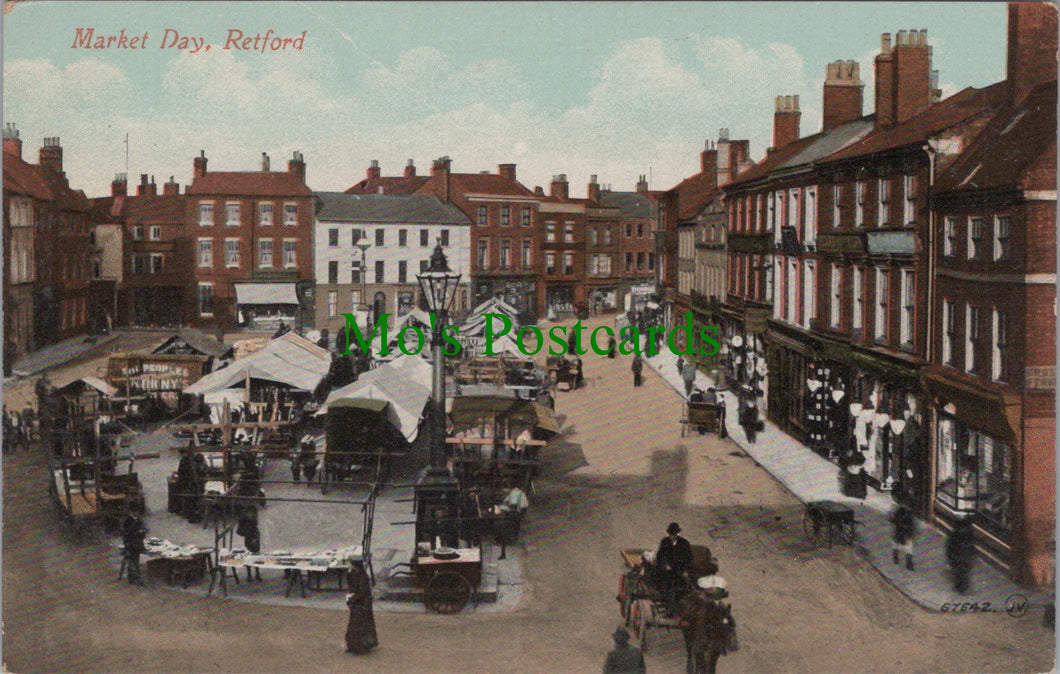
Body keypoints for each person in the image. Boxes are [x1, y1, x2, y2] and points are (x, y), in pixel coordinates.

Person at [655, 522, 693, 614]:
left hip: (680, 570)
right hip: (667, 571)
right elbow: (660, 556)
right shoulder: (665, 542)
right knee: (668, 586)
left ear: (677, 533)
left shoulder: (684, 543)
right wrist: (665, 565)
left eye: (675, 534)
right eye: (671, 534)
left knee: (685, 586)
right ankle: (670, 607)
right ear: (669, 534)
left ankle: (683, 606)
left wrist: (685, 570)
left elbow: (689, 558)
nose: (673, 536)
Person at [344, 561, 379, 654]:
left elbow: (361, 592)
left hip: (362, 604)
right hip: (358, 603)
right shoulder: (354, 574)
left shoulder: (362, 577)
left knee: (360, 626)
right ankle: (353, 646)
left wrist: (352, 599)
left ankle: (361, 646)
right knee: (355, 625)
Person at [497, 482, 529, 560]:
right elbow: (525, 505)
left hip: (515, 512)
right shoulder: (521, 493)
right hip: (518, 512)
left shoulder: (516, 493)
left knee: (514, 525)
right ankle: (513, 538)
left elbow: (507, 500)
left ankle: (512, 539)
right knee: (515, 525)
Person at [946, 516, 976, 593]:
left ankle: (960, 586)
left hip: (959, 556)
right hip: (964, 556)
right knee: (963, 571)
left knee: (960, 571)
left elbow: (950, 545)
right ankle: (962, 587)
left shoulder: (955, 534)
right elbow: (972, 545)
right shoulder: (969, 533)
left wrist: (950, 557)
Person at [121, 512, 148, 586]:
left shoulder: (138, 520)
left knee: (135, 561)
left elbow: (144, 530)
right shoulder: (128, 521)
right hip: (131, 545)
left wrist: (143, 531)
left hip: (137, 544)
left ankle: (135, 577)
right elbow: (127, 533)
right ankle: (134, 578)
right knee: (133, 561)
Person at [236, 507, 262, 581]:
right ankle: (250, 574)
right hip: (249, 537)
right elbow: (240, 531)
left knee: (256, 555)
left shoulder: (252, 518)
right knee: (249, 555)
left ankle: (257, 573)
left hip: (254, 536)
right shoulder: (243, 520)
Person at [890, 504, 916, 571]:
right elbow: (894, 520)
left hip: (905, 531)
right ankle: (896, 556)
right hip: (900, 530)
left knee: (908, 546)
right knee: (898, 544)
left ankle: (908, 562)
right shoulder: (900, 511)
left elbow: (912, 525)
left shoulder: (909, 514)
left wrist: (910, 533)